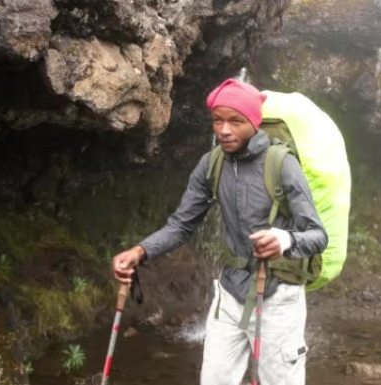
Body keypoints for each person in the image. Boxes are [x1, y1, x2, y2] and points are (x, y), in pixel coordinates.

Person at [111, 78, 327, 385]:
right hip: (229, 293)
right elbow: (182, 225)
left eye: (235, 121)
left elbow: (318, 236)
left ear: (254, 122)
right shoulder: (211, 164)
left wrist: (284, 240)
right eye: (217, 121)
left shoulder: (282, 164)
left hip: (278, 296)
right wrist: (139, 251)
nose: (224, 130)